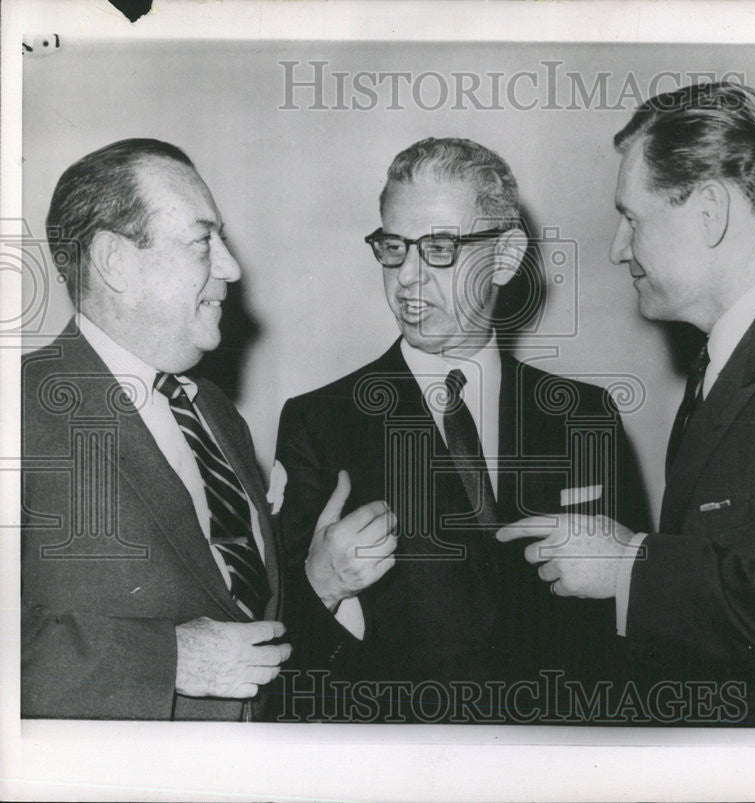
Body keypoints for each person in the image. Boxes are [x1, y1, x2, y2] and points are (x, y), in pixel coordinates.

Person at [499, 83, 755, 727]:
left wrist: (630, 566)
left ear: (710, 211)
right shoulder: (736, 357)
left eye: (632, 217)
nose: (617, 248)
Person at [273, 137, 648, 723]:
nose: (408, 279)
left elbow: (638, 630)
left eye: (440, 248)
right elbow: (280, 654)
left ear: (505, 256)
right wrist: (322, 583)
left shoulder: (586, 416)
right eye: (394, 248)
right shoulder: (320, 423)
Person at [21, 138, 293, 719]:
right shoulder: (19, 409)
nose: (232, 267)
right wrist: (167, 661)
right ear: (115, 261)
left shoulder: (215, 412)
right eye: (202, 241)